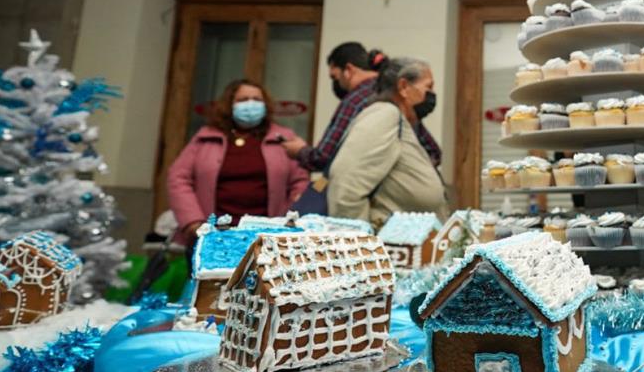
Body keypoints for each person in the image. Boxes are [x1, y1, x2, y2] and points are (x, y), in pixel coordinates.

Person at [166, 79, 309, 247]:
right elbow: (178, 178)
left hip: (266, 239)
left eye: (257, 99)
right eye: (243, 100)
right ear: (229, 105)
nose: (251, 105)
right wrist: (193, 223)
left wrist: (287, 221)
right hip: (212, 237)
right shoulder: (205, 137)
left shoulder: (283, 138)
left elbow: (301, 182)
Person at [328, 56, 448, 225]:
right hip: (385, 246)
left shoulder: (402, 121)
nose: (432, 95)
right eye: (428, 87)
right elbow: (345, 189)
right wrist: (363, 245)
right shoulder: (384, 115)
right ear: (404, 87)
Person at [279, 42, 388, 172]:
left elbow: (322, 158)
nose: (336, 84)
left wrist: (299, 150)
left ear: (348, 70)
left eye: (334, 77)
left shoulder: (355, 100)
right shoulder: (392, 91)